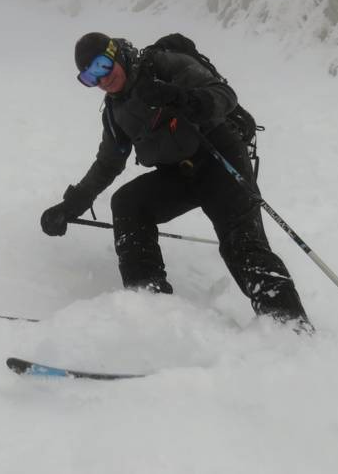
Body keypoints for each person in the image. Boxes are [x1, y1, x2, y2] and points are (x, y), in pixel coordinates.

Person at [40, 32, 310, 328]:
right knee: (128, 204)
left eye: (103, 66)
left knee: (241, 246)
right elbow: (108, 164)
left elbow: (224, 95)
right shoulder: (116, 112)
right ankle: (150, 304)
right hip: (179, 174)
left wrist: (181, 97)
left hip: (220, 159)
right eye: (90, 77)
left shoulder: (162, 65)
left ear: (116, 53)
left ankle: (289, 324)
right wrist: (70, 206)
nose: (102, 79)